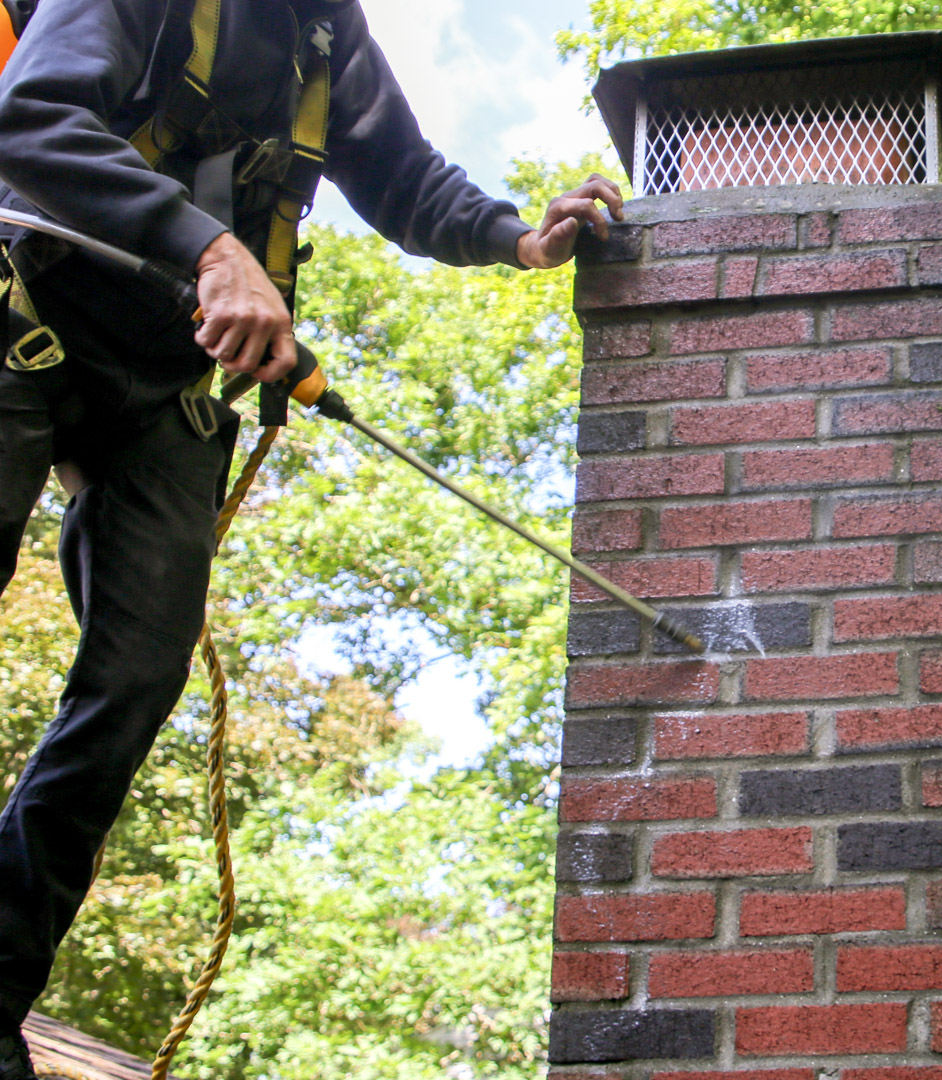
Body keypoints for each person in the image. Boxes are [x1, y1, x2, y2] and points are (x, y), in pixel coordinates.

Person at [0, 0, 624, 1075]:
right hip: (28, 306)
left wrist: (520, 239)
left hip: (160, 384)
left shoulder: (327, 32)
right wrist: (213, 252)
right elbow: (27, 118)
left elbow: (406, 176)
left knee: (136, 681)